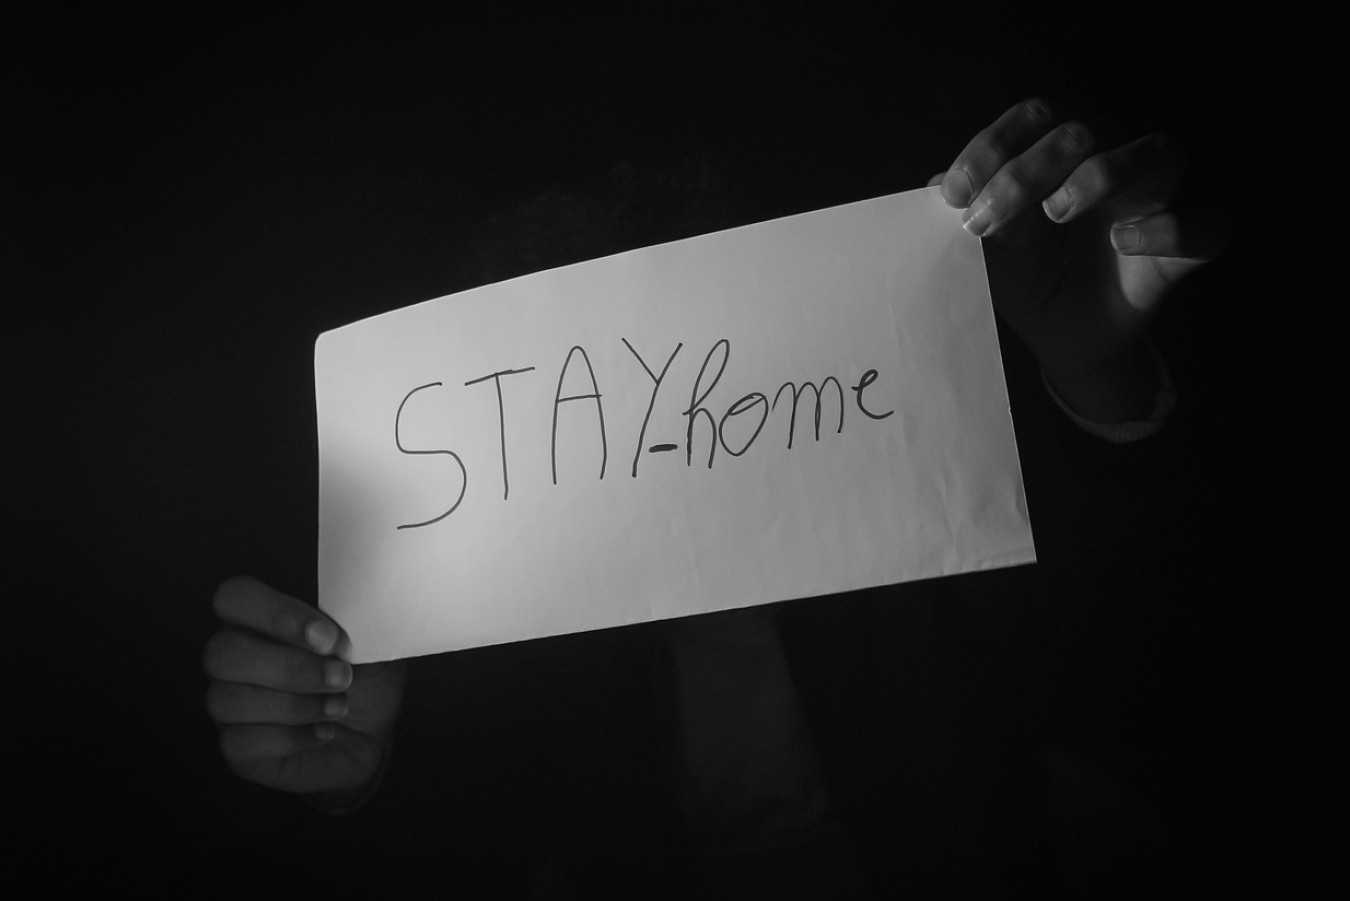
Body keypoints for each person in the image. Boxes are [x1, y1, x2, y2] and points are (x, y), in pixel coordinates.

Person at [203, 99, 1226, 896]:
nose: (663, 420)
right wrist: (355, 778)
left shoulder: (910, 493)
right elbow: (479, 837)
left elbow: (1132, 669)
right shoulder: (501, 604)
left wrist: (1094, 374)